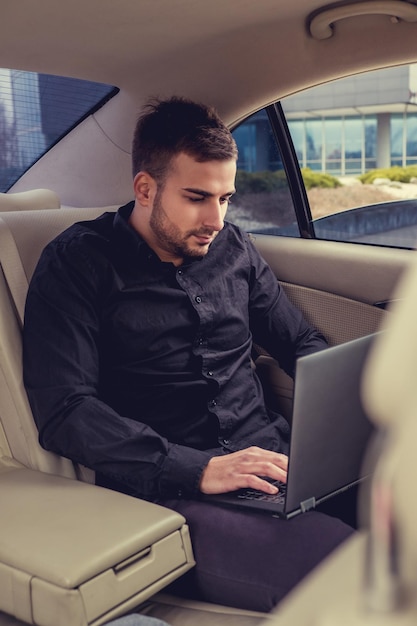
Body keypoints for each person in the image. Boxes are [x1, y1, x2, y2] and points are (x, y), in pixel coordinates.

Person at [23, 97, 354, 613]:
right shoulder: (77, 264)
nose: (216, 218)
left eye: (225, 198)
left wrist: (344, 424)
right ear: (145, 188)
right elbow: (65, 411)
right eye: (198, 197)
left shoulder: (235, 248)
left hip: (274, 459)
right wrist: (197, 468)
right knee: (352, 572)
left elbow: (301, 345)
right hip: (173, 493)